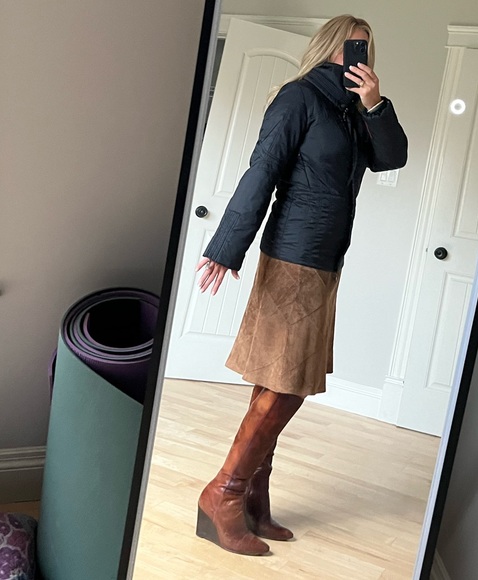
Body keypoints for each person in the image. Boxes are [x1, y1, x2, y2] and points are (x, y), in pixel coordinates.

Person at [194, 15, 408, 556]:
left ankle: (252, 497)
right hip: (294, 256)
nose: (359, 55)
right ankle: (224, 493)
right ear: (329, 47)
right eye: (351, 46)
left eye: (366, 47)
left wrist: (375, 104)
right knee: (287, 383)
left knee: (277, 379)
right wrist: (226, 247)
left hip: (325, 261)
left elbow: (391, 158)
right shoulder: (298, 98)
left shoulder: (351, 111)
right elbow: (261, 170)